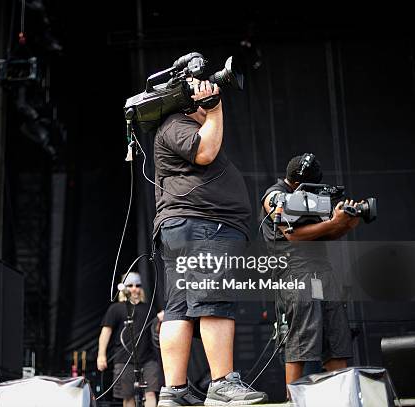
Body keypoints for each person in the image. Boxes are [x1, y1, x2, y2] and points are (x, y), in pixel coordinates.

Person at [154, 78, 267, 406]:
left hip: (189, 226)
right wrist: (214, 110)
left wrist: (212, 113)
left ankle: (174, 392)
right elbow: (204, 151)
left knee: (179, 309)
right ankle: (221, 384)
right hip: (203, 224)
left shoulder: (175, 126)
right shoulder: (176, 123)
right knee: (212, 300)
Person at [260, 154, 358, 399]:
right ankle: (293, 401)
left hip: (322, 271)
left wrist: (345, 223)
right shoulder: (275, 195)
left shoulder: (315, 198)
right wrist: (334, 222)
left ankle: (340, 400)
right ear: (294, 182)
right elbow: (292, 234)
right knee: (301, 340)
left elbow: (324, 235)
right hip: (296, 272)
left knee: (337, 340)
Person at [97, 272, 162, 407]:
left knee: (150, 393)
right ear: (124, 288)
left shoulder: (149, 308)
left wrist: (160, 321)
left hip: (148, 358)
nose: (134, 288)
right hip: (124, 358)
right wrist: (101, 355)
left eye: (137, 285)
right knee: (128, 395)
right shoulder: (116, 308)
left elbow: (156, 333)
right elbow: (106, 331)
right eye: (130, 285)